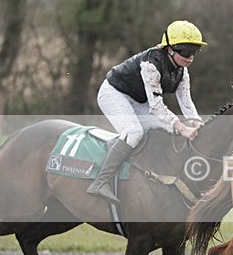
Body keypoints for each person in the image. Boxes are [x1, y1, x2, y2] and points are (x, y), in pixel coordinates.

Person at [87, 20, 207, 203]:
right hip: (114, 94)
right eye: (185, 51)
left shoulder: (182, 71)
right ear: (170, 49)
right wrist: (182, 127)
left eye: (194, 51)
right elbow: (157, 106)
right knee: (134, 132)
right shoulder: (151, 64)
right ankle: (100, 181)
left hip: (138, 100)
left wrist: (197, 122)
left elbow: (186, 101)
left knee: (168, 130)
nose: (190, 57)